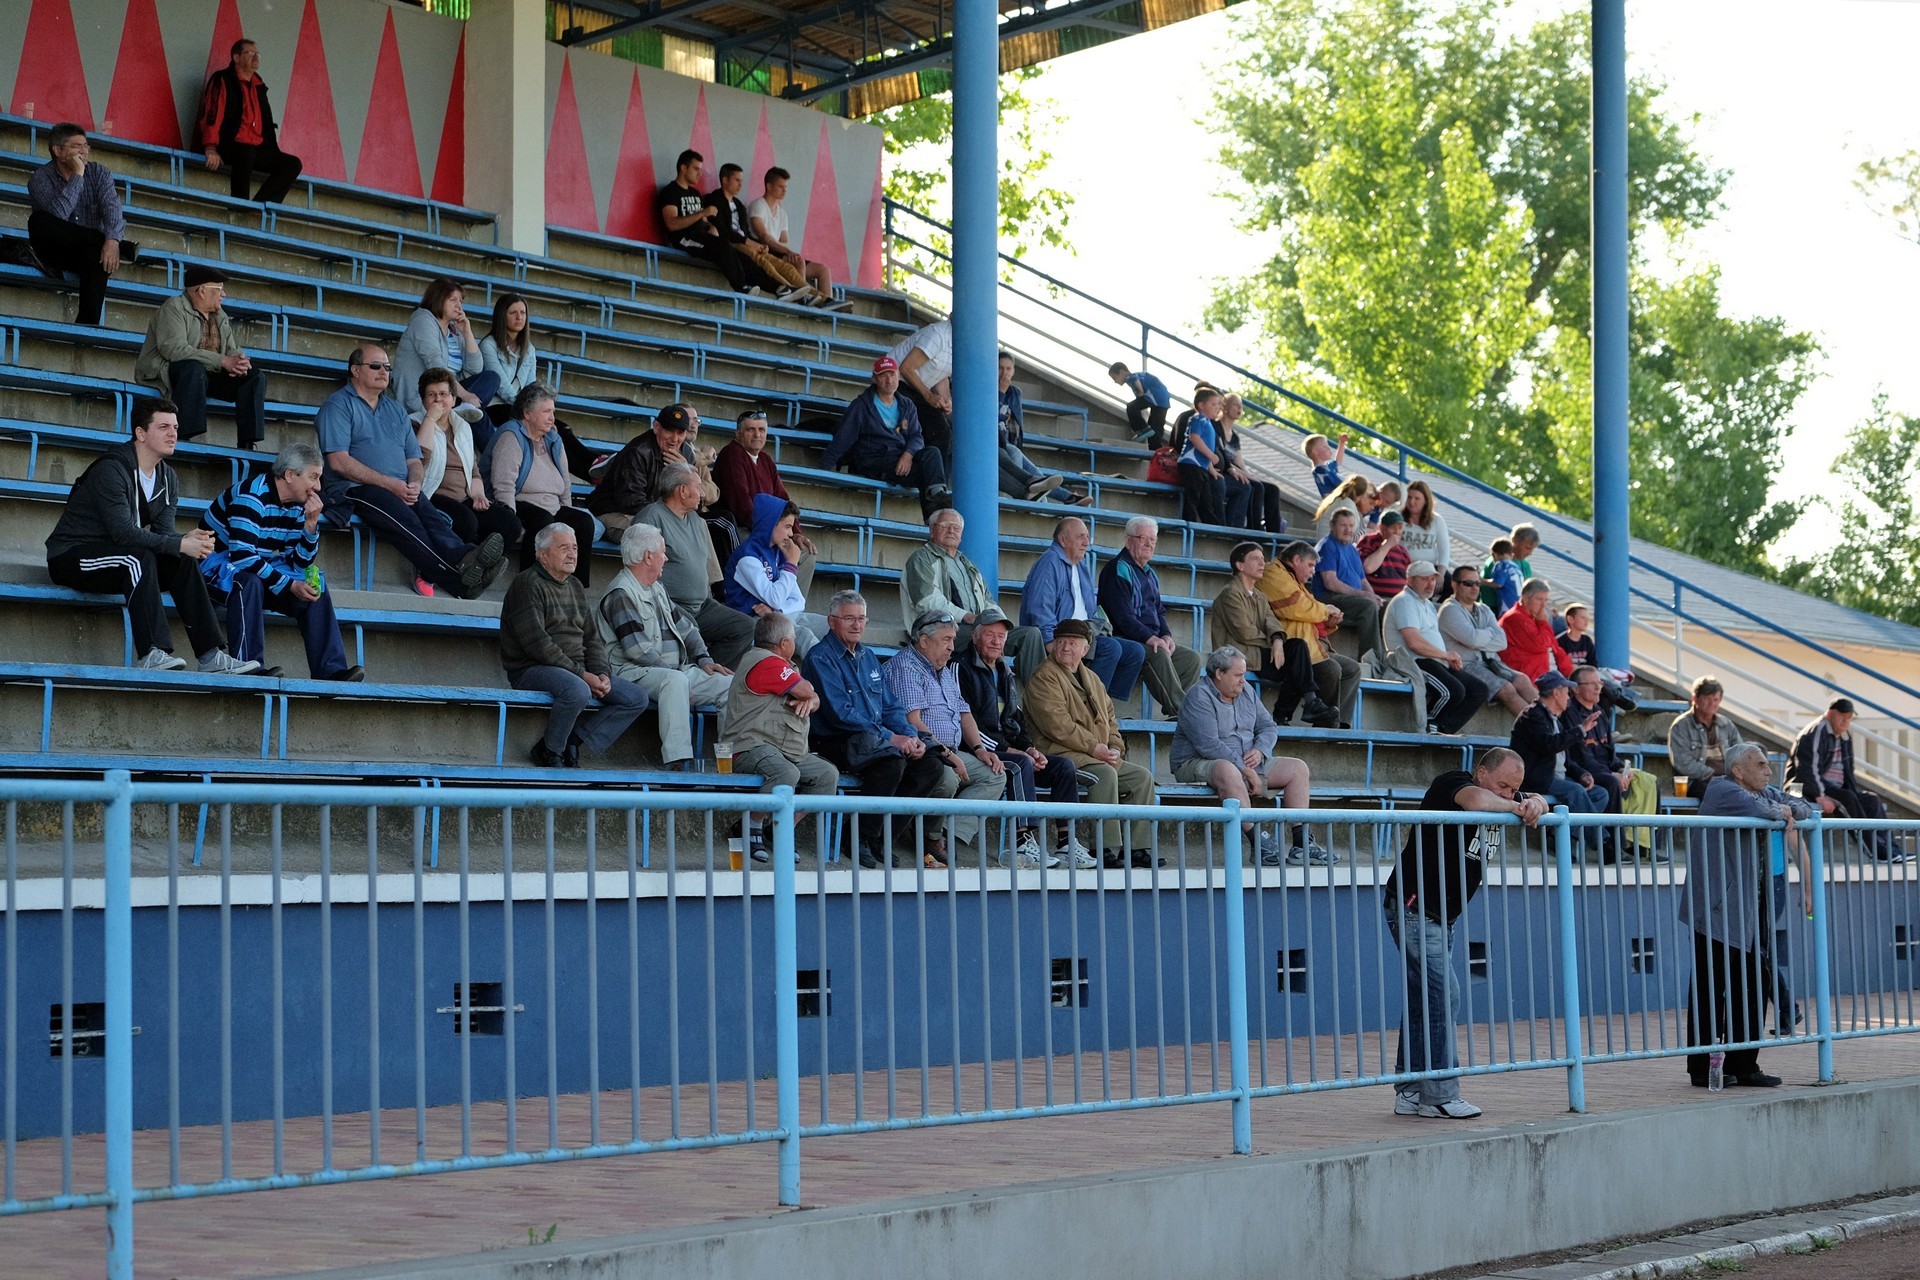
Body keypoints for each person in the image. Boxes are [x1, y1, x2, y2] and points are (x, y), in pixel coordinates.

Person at [1384, 749, 1546, 1119]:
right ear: (1481, 771)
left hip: (1443, 915)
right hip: (1415, 906)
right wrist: (1516, 806)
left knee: (1425, 1000)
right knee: (1444, 996)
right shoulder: (1453, 783)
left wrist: (1535, 802)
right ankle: (1439, 1095)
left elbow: (1539, 800)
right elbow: (1476, 801)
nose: (1508, 794)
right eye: (1503, 785)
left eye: (1514, 789)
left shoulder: (1505, 796)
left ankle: (1410, 1090)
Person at [44, 398, 258, 674]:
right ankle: (151, 653)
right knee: (139, 558)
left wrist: (185, 540)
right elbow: (123, 534)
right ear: (141, 433)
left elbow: (163, 535)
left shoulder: (168, 478)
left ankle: (210, 656)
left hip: (119, 557)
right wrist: (179, 543)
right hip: (73, 556)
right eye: (163, 427)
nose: (173, 434)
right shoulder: (112, 469)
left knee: (181, 561)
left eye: (175, 427)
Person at [317, 344, 505, 600]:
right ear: (355, 371)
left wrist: (415, 482)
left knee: (433, 519)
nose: (384, 372)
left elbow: (414, 459)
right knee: (410, 523)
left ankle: (465, 558)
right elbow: (339, 462)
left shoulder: (395, 409)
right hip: (355, 489)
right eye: (376, 366)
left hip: (400, 487)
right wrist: (390, 484)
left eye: (387, 367)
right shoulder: (338, 405)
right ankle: (459, 581)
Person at [803, 591, 956, 868]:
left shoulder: (869, 656)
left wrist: (910, 735)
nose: (857, 625)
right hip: (836, 740)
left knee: (930, 766)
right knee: (891, 762)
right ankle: (857, 835)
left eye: (861, 618)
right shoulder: (820, 658)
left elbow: (891, 707)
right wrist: (890, 737)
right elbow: (840, 714)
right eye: (849, 618)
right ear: (832, 622)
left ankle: (883, 837)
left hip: (873, 739)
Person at [1680, 742, 1794, 1089]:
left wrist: (1784, 808)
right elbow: (1767, 810)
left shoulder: (1763, 792)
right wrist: (1781, 810)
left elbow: (1803, 807)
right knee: (1710, 989)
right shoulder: (1721, 790)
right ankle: (1702, 1069)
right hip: (1716, 911)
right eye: (1760, 764)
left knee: (1754, 985)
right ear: (1738, 770)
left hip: (1749, 911)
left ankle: (1745, 1065)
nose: (1768, 770)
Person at [199, 441, 361, 682]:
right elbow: (242, 556)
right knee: (249, 581)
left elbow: (299, 564)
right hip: (212, 568)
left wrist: (310, 525)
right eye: (313, 477)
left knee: (314, 584)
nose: (318, 487)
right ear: (289, 475)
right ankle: (248, 666)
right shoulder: (252, 496)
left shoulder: (298, 505)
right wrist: (289, 585)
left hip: (252, 566)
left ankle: (330, 670)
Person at [499, 524, 649, 768]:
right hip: (531, 668)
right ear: (542, 555)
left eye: (575, 548)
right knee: (578, 690)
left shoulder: (576, 586)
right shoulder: (526, 584)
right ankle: (550, 751)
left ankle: (572, 741)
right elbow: (537, 645)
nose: (572, 554)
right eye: (563, 548)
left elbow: (592, 638)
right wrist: (583, 675)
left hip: (576, 669)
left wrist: (601, 672)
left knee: (636, 698)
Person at [955, 606, 1090, 869]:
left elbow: (1016, 719)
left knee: (1063, 767)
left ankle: (1067, 843)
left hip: (1005, 749)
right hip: (975, 749)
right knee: (1019, 765)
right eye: (990, 635)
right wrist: (1011, 751)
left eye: (1001, 636)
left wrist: (1028, 748)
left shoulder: (1004, 669)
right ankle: (1023, 842)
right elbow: (963, 721)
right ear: (975, 637)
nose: (996, 641)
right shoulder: (961, 668)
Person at [1024, 620, 1161, 868]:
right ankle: (1103, 848)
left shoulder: (1093, 678)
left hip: (1096, 754)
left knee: (1141, 777)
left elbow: (1111, 720)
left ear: (1085, 649)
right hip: (1061, 755)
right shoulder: (1044, 676)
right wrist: (1094, 748)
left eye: (1072, 643)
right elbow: (1057, 725)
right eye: (1061, 642)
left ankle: (1136, 849)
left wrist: (1115, 748)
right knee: (1105, 774)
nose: (1066, 647)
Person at [1172, 648, 1326, 867]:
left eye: (1243, 675)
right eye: (1237, 675)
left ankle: (1302, 845)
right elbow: (1209, 745)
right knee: (1227, 769)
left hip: (1247, 761)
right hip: (1197, 761)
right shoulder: (1198, 696)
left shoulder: (1246, 691)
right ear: (1219, 673)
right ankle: (1259, 843)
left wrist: (1260, 749)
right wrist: (1245, 770)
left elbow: (1268, 726)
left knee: (1298, 768)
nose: (1243, 680)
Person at [597, 522, 733, 769]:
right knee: (676, 681)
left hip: (672, 672)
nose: (666, 558)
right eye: (662, 552)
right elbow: (638, 650)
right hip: (633, 672)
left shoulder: (657, 588)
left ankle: (728, 762)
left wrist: (704, 659)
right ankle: (677, 760)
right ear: (648, 556)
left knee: (729, 684)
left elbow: (688, 628)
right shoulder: (620, 593)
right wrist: (679, 677)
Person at [884, 612, 1009, 865]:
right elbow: (913, 723)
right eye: (946, 640)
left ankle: (947, 832)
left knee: (994, 774)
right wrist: (950, 755)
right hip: (921, 751)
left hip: (951, 750)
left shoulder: (943, 668)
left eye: (953, 640)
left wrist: (979, 748)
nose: (952, 647)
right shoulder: (906, 667)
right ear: (924, 641)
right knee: (948, 776)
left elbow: (964, 713)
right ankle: (930, 836)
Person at [726, 612, 839, 861]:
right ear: (784, 642)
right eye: (794, 639)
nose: (795, 643)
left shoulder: (783, 664)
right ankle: (750, 825)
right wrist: (810, 695)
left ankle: (781, 827)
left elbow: (812, 696)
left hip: (782, 747)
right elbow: (806, 689)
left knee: (826, 775)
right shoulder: (765, 661)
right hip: (750, 746)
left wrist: (812, 699)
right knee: (787, 773)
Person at [635, 462, 757, 668]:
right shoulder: (650, 518)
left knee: (745, 627)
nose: (702, 493)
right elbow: (638, 573)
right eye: (698, 487)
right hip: (666, 605)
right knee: (689, 627)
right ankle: (697, 673)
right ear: (682, 490)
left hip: (702, 605)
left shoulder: (698, 521)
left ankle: (709, 676)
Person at [133, 265, 265, 448]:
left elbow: (231, 349)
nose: (223, 294)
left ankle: (247, 442)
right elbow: (175, 350)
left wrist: (240, 361)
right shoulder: (174, 307)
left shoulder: (220, 315)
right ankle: (184, 436)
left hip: (204, 376)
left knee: (254, 375)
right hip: (167, 372)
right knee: (193, 368)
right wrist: (222, 361)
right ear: (202, 291)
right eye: (219, 289)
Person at [1014, 516, 1145, 699]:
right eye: (1080, 537)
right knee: (1111, 649)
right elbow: (1040, 609)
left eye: (1087, 537)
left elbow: (1090, 610)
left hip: (1085, 632)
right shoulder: (1049, 563)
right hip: (1061, 635)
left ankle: (1105, 705)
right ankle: (1085, 704)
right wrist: (1050, 641)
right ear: (1063, 540)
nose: (1086, 543)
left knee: (1135, 652)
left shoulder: (1081, 565)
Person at [1213, 542, 1339, 728]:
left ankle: (1302, 706)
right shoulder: (1230, 594)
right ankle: (1284, 713)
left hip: (1258, 653)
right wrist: (1273, 642)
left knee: (1298, 648)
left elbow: (1271, 622)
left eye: (1263, 559)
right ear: (1240, 565)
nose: (1262, 563)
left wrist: (1278, 640)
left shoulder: (1259, 595)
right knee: (1297, 660)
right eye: (1255, 559)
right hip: (1239, 656)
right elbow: (1244, 632)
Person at [26, 123, 136, 326]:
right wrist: (78, 175)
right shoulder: (40, 179)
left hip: (88, 252)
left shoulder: (99, 173)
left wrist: (112, 241)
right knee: (38, 221)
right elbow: (57, 218)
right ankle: (116, 245)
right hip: (56, 250)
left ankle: (87, 326)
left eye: (86, 146)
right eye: (77, 146)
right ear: (58, 150)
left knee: (96, 254)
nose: (84, 151)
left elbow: (112, 209)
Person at [821, 357, 953, 520]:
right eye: (883, 375)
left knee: (932, 452)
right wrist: (824, 470)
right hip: (875, 461)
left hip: (900, 460)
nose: (889, 380)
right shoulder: (861, 406)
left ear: (898, 376)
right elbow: (842, 439)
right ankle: (935, 519)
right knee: (926, 475)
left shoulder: (907, 404)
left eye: (892, 374)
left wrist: (908, 454)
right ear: (874, 379)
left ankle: (938, 499)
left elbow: (916, 436)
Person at [488, 384, 595, 583]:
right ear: (527, 414)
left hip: (552, 506)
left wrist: (566, 520)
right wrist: (511, 519)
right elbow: (503, 486)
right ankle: (527, 584)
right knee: (542, 520)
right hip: (519, 503)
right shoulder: (511, 436)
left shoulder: (554, 440)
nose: (552, 418)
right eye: (546, 411)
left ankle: (575, 586)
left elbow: (565, 483)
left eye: (553, 412)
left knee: (583, 522)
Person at [1098, 516, 1203, 716]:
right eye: (1142, 538)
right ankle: (1184, 713)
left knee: (1191, 659)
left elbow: (1159, 611)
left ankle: (1177, 715)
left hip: (1150, 639)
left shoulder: (1150, 573)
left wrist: (1166, 635)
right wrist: (1150, 638)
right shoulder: (1117, 568)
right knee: (1158, 652)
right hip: (1126, 639)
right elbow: (1122, 617)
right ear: (1128, 540)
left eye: (1153, 540)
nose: (1149, 544)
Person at [1786, 697, 1908, 862]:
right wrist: (1819, 795)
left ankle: (1893, 849)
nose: (1845, 721)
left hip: (1833, 788)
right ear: (1830, 714)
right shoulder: (1816, 732)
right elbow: (1807, 768)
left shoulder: (1844, 735)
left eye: (1849, 718)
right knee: (1848, 799)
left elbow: (1848, 769)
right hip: (1804, 788)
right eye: (1842, 717)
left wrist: (1855, 792)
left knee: (1871, 800)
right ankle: (1877, 851)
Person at [901, 509, 1039, 655]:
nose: (951, 531)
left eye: (956, 528)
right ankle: (996, 668)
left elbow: (988, 601)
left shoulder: (967, 565)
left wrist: (1000, 622)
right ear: (932, 531)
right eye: (945, 526)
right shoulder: (921, 559)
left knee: (1030, 635)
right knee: (986, 638)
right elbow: (927, 602)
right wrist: (966, 616)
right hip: (939, 629)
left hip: (974, 627)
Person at [415, 366, 521, 553]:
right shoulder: (415, 423)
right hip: (431, 496)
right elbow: (419, 460)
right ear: (424, 401)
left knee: (510, 524)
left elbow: (473, 470)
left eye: (443, 394)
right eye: (431, 395)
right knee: (467, 522)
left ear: (453, 399)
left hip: (464, 497)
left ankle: (480, 564)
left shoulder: (462, 426)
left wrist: (478, 494)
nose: (438, 399)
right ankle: (461, 562)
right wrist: (429, 420)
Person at [1259, 540, 1362, 729]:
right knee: (1332, 669)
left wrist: (1328, 623)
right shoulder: (1272, 573)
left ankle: (1340, 724)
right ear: (1296, 560)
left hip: (1314, 644)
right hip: (1293, 646)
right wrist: (1325, 610)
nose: (1313, 571)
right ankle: (1325, 725)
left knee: (1352, 669)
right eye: (1310, 565)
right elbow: (1296, 607)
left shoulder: (1293, 579)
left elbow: (1308, 614)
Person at [393, 279, 502, 445]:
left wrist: (467, 332)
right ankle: (492, 449)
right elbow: (435, 366)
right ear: (438, 299)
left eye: (461, 301)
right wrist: (464, 395)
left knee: (491, 378)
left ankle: (461, 411)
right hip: (425, 396)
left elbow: (475, 368)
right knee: (477, 415)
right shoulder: (423, 321)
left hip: (449, 396)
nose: (459, 306)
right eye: (453, 300)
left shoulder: (454, 331)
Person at [1568, 665, 1660, 859]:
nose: (1598, 688)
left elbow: (1610, 751)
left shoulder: (1600, 713)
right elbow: (1580, 757)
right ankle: (1612, 849)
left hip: (1606, 769)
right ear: (1576, 688)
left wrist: (1620, 769)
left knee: (1649, 780)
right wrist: (1612, 774)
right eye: (1591, 684)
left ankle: (1644, 847)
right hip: (1583, 771)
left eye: (1600, 683)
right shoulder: (1569, 714)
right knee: (1611, 783)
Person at [1509, 671, 1606, 853]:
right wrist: (1581, 729)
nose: (1568, 697)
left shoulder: (1555, 720)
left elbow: (1566, 759)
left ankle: (1560, 838)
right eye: (1566, 692)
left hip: (1556, 777)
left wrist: (1582, 774)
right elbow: (1550, 745)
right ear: (1556, 693)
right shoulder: (1532, 715)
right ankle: (1604, 843)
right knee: (1576, 791)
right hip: (1537, 778)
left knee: (1600, 794)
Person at [1382, 560, 1483, 736]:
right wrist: (1445, 655)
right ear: (1410, 580)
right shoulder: (1404, 601)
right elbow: (1414, 643)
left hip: (1434, 661)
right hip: (1412, 661)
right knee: (1453, 691)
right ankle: (1429, 724)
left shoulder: (1428, 604)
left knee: (1478, 690)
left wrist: (1446, 658)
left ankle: (1442, 729)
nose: (1430, 585)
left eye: (1433, 579)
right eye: (1424, 579)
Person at [196, 38, 302, 204]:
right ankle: (239, 206)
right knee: (246, 154)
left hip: (256, 149)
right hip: (229, 145)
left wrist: (273, 150)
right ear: (236, 57)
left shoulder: (259, 86)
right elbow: (213, 115)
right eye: (250, 53)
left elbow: (266, 123)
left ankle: (257, 208)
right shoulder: (223, 79)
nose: (256, 57)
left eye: (257, 54)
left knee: (293, 164)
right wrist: (210, 147)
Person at [724, 495, 827, 656]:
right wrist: (791, 564)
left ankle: (849, 667)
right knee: (804, 635)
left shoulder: (777, 551)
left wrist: (775, 610)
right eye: (787, 526)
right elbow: (775, 598)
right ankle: (827, 671)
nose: (791, 533)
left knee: (832, 625)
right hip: (752, 620)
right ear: (770, 524)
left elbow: (799, 601)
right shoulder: (747, 556)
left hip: (776, 614)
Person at [587, 403, 705, 533]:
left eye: (680, 433)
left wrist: (684, 472)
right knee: (659, 534)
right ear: (656, 427)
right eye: (669, 431)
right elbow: (632, 502)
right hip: (614, 512)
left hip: (658, 514)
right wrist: (669, 518)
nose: (674, 439)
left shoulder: (687, 454)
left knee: (697, 530)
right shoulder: (638, 452)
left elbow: (694, 500)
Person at [1436, 564, 1535, 717]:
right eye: (1468, 583)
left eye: (1477, 583)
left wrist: (1478, 637)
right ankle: (1539, 727)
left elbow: (1502, 642)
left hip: (1491, 662)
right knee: (1506, 689)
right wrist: (1489, 633)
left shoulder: (1484, 609)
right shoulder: (1449, 610)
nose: (1475, 588)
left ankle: (1554, 725)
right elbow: (1472, 640)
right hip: (1465, 665)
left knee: (1523, 680)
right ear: (1454, 584)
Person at [747, 167, 850, 310]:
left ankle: (828, 305)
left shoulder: (782, 213)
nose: (784, 190)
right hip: (766, 252)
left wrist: (785, 250)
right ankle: (804, 299)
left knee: (823, 270)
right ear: (769, 186)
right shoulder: (758, 205)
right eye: (781, 186)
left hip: (780, 251)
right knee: (798, 261)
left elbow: (785, 241)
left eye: (786, 187)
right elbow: (764, 237)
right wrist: (786, 251)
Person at [658, 149, 757, 295]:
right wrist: (703, 213)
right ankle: (741, 287)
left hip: (702, 236)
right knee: (722, 246)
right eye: (696, 169)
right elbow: (671, 224)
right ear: (683, 168)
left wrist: (711, 226)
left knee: (740, 253)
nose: (700, 173)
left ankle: (756, 286)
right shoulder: (670, 191)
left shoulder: (695, 193)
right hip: (685, 238)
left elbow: (703, 220)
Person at [706, 163, 808, 302]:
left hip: (745, 243)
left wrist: (759, 244)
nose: (740, 185)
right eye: (737, 180)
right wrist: (749, 242)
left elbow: (746, 232)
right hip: (733, 244)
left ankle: (812, 294)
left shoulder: (739, 205)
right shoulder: (713, 199)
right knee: (762, 260)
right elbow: (723, 231)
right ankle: (784, 288)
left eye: (742, 181)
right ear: (725, 180)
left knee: (783, 265)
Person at [997, 352, 1089, 505]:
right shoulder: (987, 390)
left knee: (1035, 473)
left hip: (1008, 444)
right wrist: (1000, 392)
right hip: (995, 443)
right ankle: (1021, 501)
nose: (1004, 373)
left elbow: (1016, 426)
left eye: (1008, 369)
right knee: (1018, 457)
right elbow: (990, 419)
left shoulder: (1015, 393)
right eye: (1000, 368)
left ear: (1013, 371)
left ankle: (1065, 498)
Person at [1311, 507, 1384, 665]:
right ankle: (1371, 662)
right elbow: (1330, 582)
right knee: (1368, 607)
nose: (1348, 530)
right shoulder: (1327, 546)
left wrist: (1373, 596)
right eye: (1343, 525)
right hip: (1329, 599)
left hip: (1351, 598)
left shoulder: (1352, 549)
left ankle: (1389, 661)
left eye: (1351, 526)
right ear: (1332, 526)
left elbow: (1363, 581)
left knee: (1387, 608)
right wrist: (1364, 595)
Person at [715, 409, 800, 533]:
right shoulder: (732, 454)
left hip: (764, 528)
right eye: (750, 430)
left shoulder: (766, 459)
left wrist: (795, 532)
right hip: (740, 529)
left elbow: (782, 499)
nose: (757, 435)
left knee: (799, 544)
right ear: (738, 434)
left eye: (761, 430)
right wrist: (770, 532)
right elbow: (741, 504)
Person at [886, 320, 955, 458]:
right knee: (911, 427)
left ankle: (931, 470)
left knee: (943, 431)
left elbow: (940, 374)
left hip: (917, 391)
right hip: (895, 384)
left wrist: (946, 400)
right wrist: (929, 396)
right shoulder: (937, 334)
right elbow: (906, 368)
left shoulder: (960, 343)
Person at [1668, 676, 1745, 800]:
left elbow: (1741, 753)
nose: (1712, 703)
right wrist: (1711, 773)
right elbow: (1682, 762)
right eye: (1708, 699)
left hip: (1727, 779)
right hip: (1696, 781)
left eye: (1716, 699)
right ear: (1695, 698)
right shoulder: (1681, 726)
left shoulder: (1726, 724)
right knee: (1717, 792)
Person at [1219, 394, 1283, 533]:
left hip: (1237, 471)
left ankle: (1274, 533)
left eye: (1241, 405)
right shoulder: (1216, 427)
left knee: (1272, 489)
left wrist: (1251, 474)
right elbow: (1223, 460)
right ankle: (1254, 529)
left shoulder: (1235, 436)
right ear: (1225, 406)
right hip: (1225, 471)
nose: (1239, 408)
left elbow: (1240, 463)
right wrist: (1247, 476)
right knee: (1256, 487)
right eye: (1235, 404)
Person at [1556, 603, 1637, 711]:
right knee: (1598, 683)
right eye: (1583, 618)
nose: (1586, 621)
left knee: (1604, 698)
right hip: (1570, 680)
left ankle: (1605, 717)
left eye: (1588, 618)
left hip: (1588, 679)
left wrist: (1581, 669)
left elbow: (1593, 665)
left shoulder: (1587, 641)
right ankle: (1618, 698)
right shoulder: (1560, 641)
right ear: (1570, 619)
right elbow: (1560, 666)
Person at [1497, 578, 1573, 686]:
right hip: (1528, 679)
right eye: (1539, 599)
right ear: (1525, 598)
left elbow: (1554, 646)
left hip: (1543, 674)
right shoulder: (1516, 618)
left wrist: (1570, 671)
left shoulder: (1535, 617)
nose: (1543, 605)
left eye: (1546, 600)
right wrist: (1543, 622)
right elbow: (1540, 645)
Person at [479, 294, 538, 424]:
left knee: (561, 429)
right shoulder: (488, 345)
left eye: (523, 313)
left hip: (519, 408)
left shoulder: (529, 349)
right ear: (502, 316)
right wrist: (524, 410)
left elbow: (531, 387)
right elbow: (502, 386)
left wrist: (535, 410)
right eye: (513, 313)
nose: (519, 317)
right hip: (494, 406)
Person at [1175, 387, 1227, 526]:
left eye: (1218, 405)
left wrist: (1211, 469)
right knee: (1193, 497)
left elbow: (1204, 448)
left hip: (1200, 466)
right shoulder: (1199, 418)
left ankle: (1211, 527)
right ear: (1201, 405)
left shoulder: (1208, 422)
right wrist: (1211, 456)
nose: (1217, 408)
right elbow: (1195, 438)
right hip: (1191, 465)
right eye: (1213, 404)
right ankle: (1188, 526)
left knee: (1206, 500)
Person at [1109, 362, 1171, 444]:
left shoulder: (1130, 378)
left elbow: (1136, 381)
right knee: (1155, 428)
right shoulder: (1137, 376)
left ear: (1122, 372)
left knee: (1131, 407)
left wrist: (1141, 391)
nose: (1115, 381)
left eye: (1114, 378)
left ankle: (1142, 429)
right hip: (1162, 399)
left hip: (1154, 397)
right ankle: (1154, 446)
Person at [1357, 509, 1412, 600]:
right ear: (1381, 528)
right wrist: (1387, 545)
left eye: (1400, 528)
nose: (1397, 532)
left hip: (1399, 600)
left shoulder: (1403, 552)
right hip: (1376, 598)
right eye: (1393, 527)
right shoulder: (1369, 541)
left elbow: (1411, 579)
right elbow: (1367, 568)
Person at [1394, 480, 1450, 567]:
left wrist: (1441, 572)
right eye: (1409, 497)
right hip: (1400, 565)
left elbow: (1444, 551)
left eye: (1417, 498)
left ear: (1426, 500)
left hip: (1428, 567)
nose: (1412, 502)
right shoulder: (1397, 517)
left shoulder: (1437, 520)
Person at [1303, 431, 1349, 499]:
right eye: (1325, 447)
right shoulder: (1321, 471)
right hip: (1338, 500)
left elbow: (1338, 461)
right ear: (1315, 451)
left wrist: (1341, 443)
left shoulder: (1326, 467)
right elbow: (1342, 484)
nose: (1329, 448)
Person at [1484, 539, 1524, 613]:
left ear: (1495, 554)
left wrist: (1481, 581)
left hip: (1507, 605)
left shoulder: (1501, 564)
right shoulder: (1516, 567)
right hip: (1519, 604)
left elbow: (1498, 583)